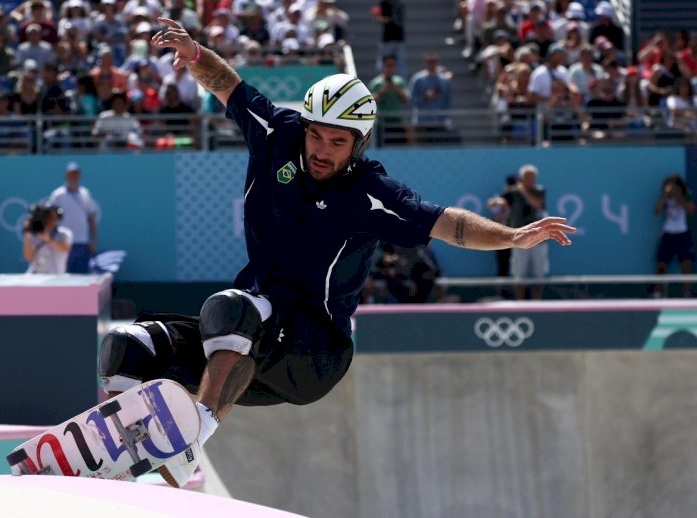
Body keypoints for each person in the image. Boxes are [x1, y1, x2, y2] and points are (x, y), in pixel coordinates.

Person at [95, 17, 576, 488]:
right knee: (129, 344)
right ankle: (112, 460)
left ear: (358, 144)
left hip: (314, 352)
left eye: (337, 143)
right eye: (316, 136)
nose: (322, 151)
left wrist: (512, 237)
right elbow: (227, 83)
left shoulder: (372, 192)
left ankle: (192, 439)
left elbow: (451, 224)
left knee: (230, 307)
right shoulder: (275, 134)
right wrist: (196, 54)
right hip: (251, 345)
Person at [487, 164, 548, 299]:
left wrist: (522, 191)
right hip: (519, 238)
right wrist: (497, 203)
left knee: (539, 275)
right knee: (519, 275)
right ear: (522, 178)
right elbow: (495, 202)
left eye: (533, 178)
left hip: (539, 239)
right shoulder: (514, 192)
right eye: (527, 178)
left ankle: (537, 303)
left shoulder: (539, 190)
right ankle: (520, 304)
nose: (531, 181)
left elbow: (538, 204)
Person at [47, 162, 99, 273]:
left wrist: (93, 240)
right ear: (66, 175)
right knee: (64, 275)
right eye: (71, 174)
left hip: (82, 242)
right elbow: (49, 217)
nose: (74, 176)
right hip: (63, 242)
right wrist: (51, 238)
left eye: (76, 174)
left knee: (81, 276)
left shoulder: (85, 193)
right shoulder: (58, 195)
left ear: (80, 175)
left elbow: (92, 219)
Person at [653, 175, 696, 298]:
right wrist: (665, 196)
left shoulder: (686, 196)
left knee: (686, 265)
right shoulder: (665, 198)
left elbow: (691, 210)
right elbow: (656, 211)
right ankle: (658, 291)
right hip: (668, 234)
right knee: (661, 264)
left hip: (683, 234)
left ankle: (687, 293)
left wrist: (678, 196)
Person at [23, 204, 72, 274]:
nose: (51, 221)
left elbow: (65, 249)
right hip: (36, 276)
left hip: (56, 277)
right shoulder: (33, 235)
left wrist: (48, 239)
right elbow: (28, 257)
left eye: (54, 218)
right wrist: (27, 233)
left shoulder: (64, 233)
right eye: (48, 218)